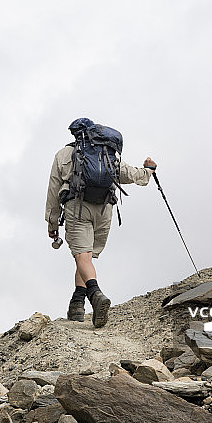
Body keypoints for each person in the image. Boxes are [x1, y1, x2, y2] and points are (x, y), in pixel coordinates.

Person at [45, 118, 156, 327]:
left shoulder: (63, 154)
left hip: (77, 207)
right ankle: (77, 304)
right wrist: (149, 169)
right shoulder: (107, 154)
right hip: (104, 209)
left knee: (82, 256)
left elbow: (53, 191)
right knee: (86, 256)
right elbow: (131, 175)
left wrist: (52, 224)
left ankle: (95, 295)